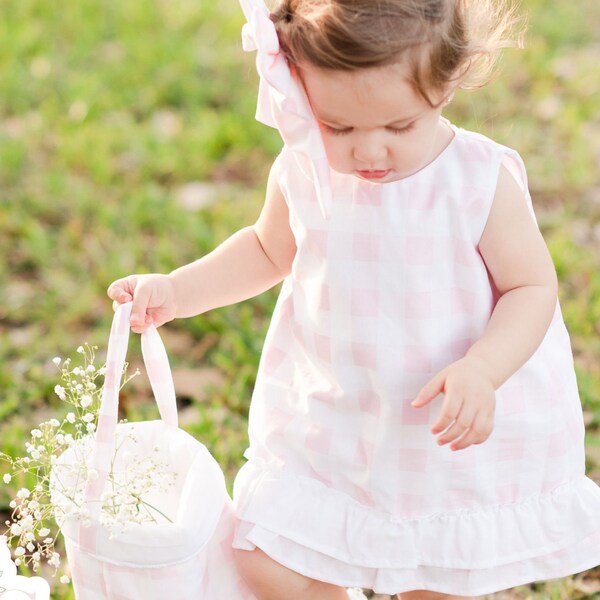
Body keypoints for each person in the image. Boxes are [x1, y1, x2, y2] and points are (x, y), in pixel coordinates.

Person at [107, 0, 600, 598]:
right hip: (337, 414)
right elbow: (267, 250)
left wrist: (483, 369)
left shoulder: (475, 179)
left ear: (444, 87)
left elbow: (531, 287)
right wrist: (179, 290)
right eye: (337, 127)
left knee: (433, 580)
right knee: (267, 557)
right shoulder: (306, 169)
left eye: (399, 127)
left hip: (439, 426)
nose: (369, 152)